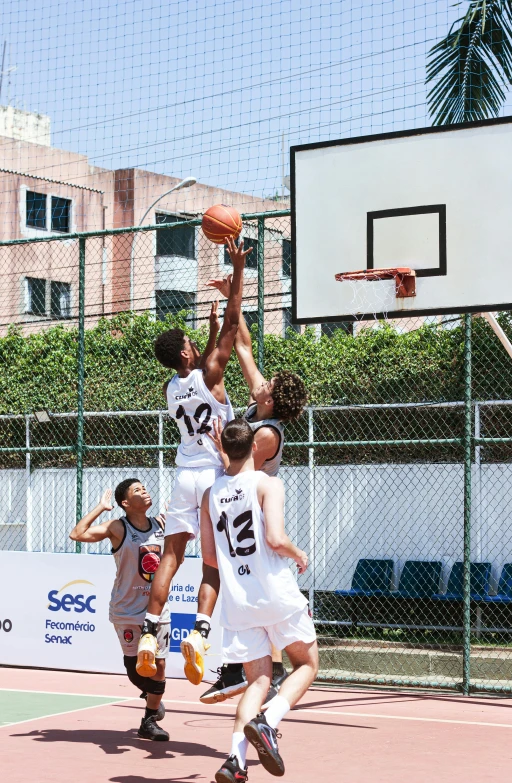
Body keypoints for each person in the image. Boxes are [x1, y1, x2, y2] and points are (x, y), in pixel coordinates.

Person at [136, 237, 250, 683]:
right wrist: (237, 272)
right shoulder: (213, 376)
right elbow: (234, 324)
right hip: (215, 477)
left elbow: (202, 359)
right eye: (190, 343)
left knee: (171, 556)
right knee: (213, 563)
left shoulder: (171, 388)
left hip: (183, 476)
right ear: (187, 354)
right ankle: (201, 635)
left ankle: (150, 630)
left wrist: (205, 331)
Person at [197, 273, 308, 705]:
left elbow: (238, 467)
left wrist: (214, 443)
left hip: (257, 510)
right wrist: (233, 298)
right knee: (238, 580)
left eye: (268, 385)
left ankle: (260, 670)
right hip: (237, 504)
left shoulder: (267, 434)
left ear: (272, 400)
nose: (261, 381)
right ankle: (247, 669)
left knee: (250, 582)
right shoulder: (258, 404)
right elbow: (242, 344)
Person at [200, 419, 318, 783]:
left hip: (239, 603)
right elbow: (276, 538)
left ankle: (234, 761)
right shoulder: (268, 483)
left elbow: (209, 559)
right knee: (307, 665)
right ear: (255, 447)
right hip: (275, 593)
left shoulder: (209, 495)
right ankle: (267, 722)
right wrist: (299, 555)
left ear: (225, 448)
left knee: (257, 682)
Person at [69, 480, 170, 741]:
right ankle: (152, 698)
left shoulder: (161, 524)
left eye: (145, 488)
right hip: (127, 609)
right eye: (137, 491)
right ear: (125, 503)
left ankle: (148, 721)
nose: (145, 491)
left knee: (158, 665)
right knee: (136, 669)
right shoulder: (118, 527)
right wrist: (100, 508)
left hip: (157, 608)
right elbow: (77, 534)